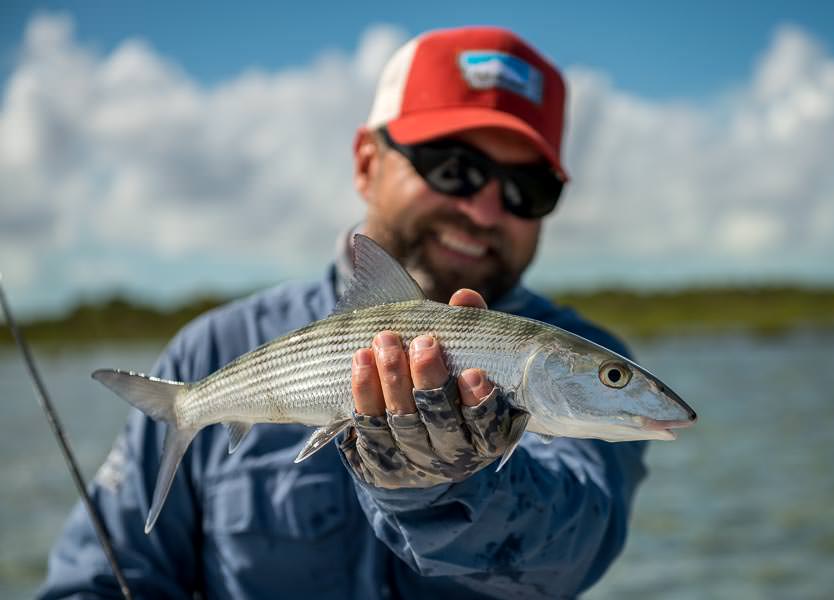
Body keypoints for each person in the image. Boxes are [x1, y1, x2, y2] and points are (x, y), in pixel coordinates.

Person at [39, 26, 648, 599]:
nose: (486, 211)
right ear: (365, 162)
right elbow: (100, 577)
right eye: (453, 168)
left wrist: (446, 484)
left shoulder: (587, 349)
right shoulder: (211, 348)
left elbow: (571, 550)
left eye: (528, 189)